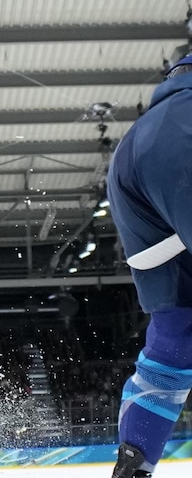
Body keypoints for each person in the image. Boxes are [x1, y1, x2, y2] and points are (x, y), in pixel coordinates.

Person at [107, 53, 192, 478]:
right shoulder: (185, 116)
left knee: (171, 355)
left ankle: (134, 464)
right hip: (178, 148)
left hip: (159, 255)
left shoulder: (143, 127)